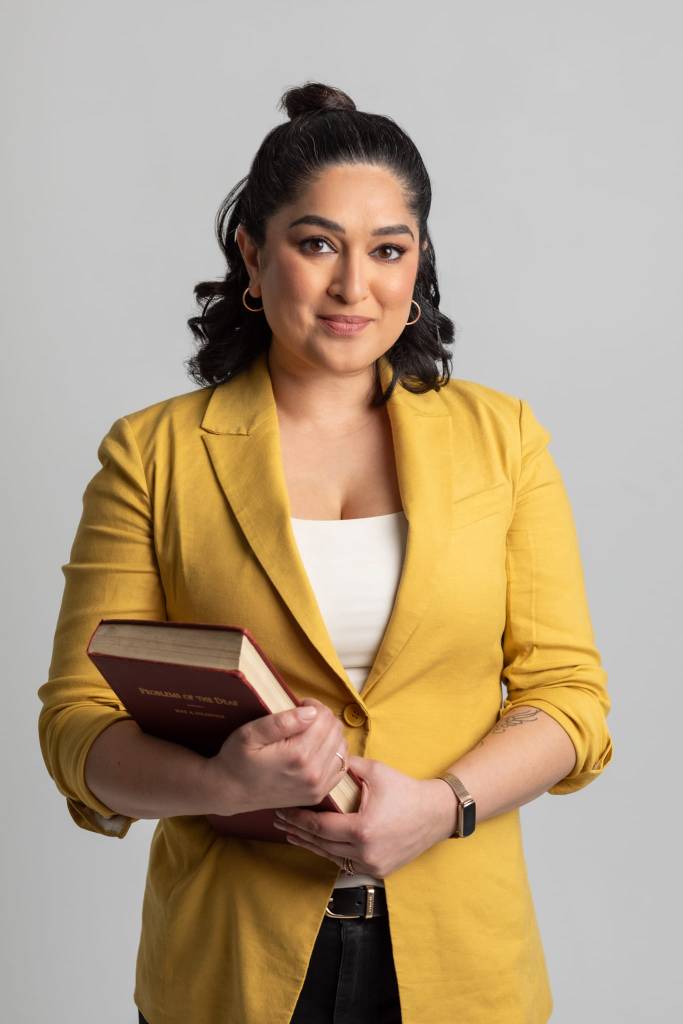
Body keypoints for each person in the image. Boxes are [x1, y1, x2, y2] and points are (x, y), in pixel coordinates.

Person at [37, 81, 613, 1024]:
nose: (356, 286)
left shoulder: (504, 441)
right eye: (317, 245)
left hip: (463, 965)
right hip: (226, 965)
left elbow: (568, 697)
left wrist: (445, 805)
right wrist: (215, 782)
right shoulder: (152, 454)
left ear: (418, 263)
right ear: (253, 259)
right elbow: (76, 725)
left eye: (388, 250)